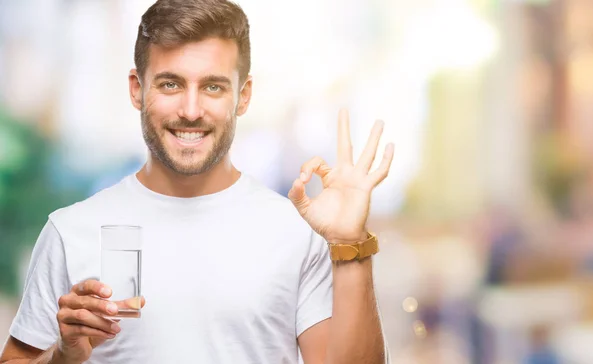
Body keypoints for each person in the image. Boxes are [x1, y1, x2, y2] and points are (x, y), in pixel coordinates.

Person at [0, 0, 394, 363]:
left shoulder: (294, 233)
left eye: (213, 86)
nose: (191, 110)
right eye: (170, 84)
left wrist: (351, 243)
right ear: (137, 89)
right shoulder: (71, 231)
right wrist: (63, 356)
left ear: (243, 96)